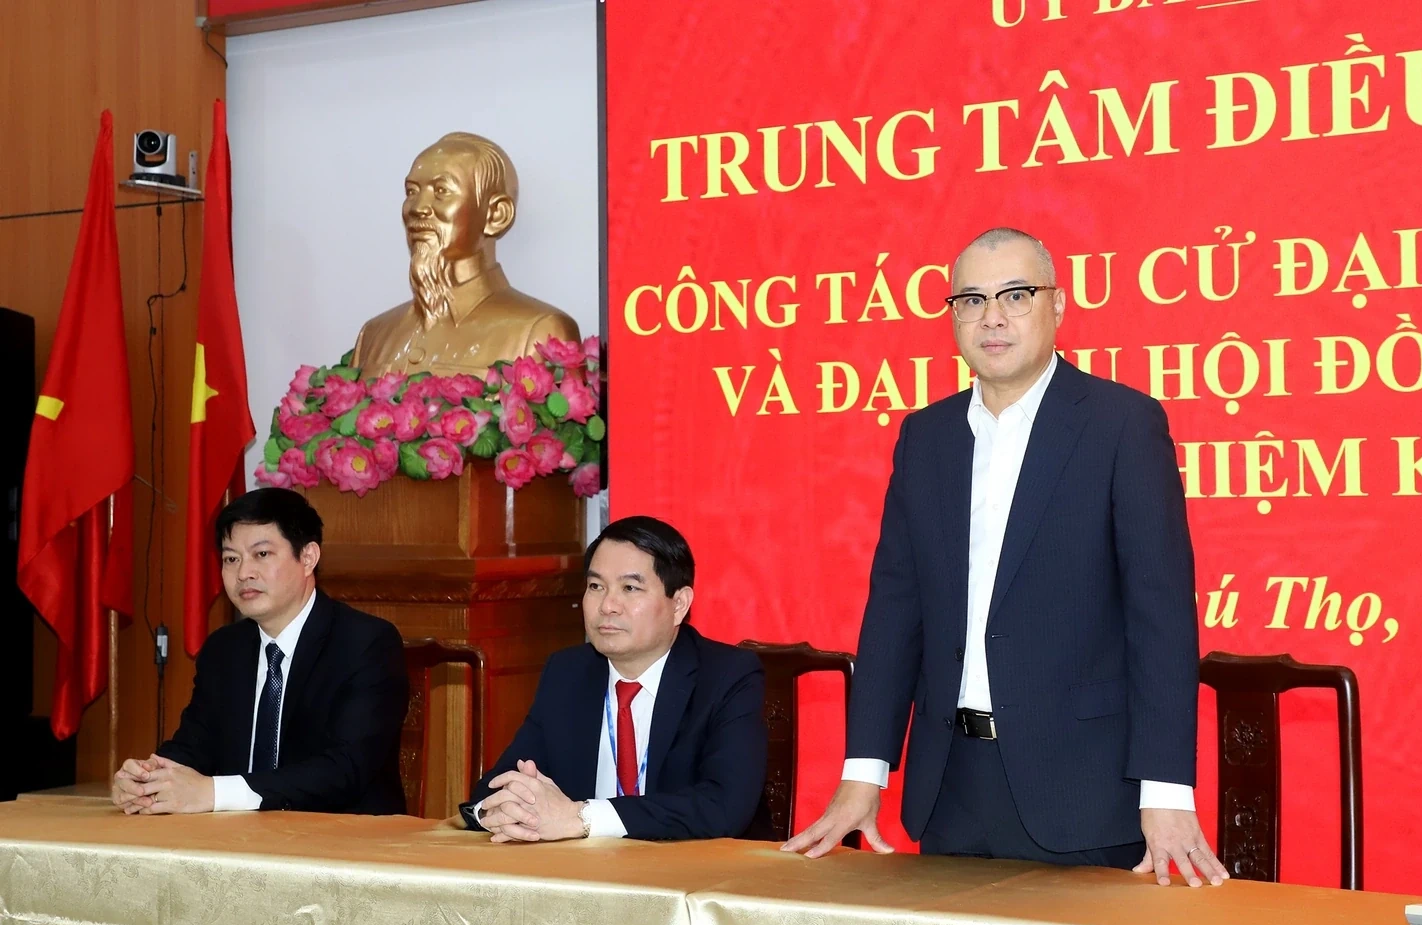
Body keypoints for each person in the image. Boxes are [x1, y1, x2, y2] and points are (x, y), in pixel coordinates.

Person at [785, 227, 1228, 887]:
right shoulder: (925, 436)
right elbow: (896, 612)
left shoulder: (1121, 425)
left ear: (1058, 305)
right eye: (971, 300)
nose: (992, 317)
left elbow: (1160, 616)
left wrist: (1166, 790)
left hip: (1081, 790)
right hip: (950, 788)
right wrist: (863, 772)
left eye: (1015, 295)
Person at [460, 516, 766, 842]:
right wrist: (499, 811)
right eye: (596, 586)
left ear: (678, 604)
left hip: (695, 867)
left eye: (629, 588)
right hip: (586, 869)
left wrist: (582, 818)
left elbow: (723, 807)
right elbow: (498, 784)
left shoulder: (727, 675)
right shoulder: (568, 673)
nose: (607, 606)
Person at [110, 488, 408, 815]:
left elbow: (345, 769)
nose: (243, 573)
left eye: (261, 554)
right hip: (238, 836)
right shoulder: (224, 649)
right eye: (231, 559)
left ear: (308, 558)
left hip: (343, 835)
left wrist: (214, 792)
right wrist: (147, 780)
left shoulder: (365, 643)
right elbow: (194, 746)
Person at [350, 131, 580, 377]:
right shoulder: (374, 335)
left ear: (496, 215)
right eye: (411, 191)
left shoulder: (541, 332)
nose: (417, 208)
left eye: (441, 190)